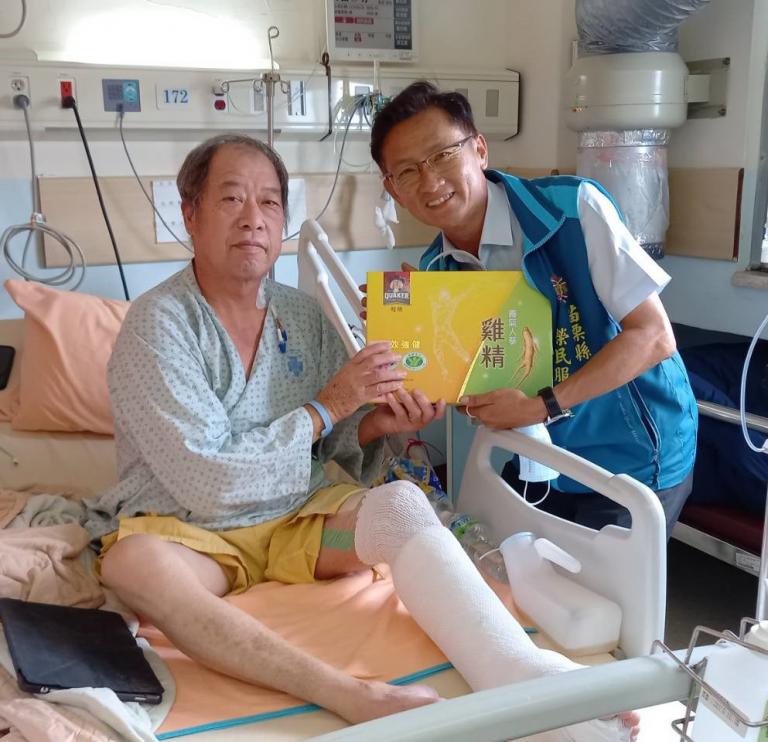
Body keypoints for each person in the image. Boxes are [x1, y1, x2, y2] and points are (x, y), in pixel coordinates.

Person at [86, 134, 638, 740]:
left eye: (269, 203)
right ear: (190, 214)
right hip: (191, 533)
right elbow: (207, 482)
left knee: (400, 503)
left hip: (296, 523)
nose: (253, 219)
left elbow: (334, 444)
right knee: (133, 566)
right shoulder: (157, 324)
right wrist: (330, 405)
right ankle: (353, 695)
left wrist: (377, 423)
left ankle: (520, 671)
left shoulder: (301, 315)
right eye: (231, 198)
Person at [370, 81, 698, 538]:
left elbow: (653, 337)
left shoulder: (573, 210)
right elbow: (475, 389)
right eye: (407, 171)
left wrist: (541, 407)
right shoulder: (435, 272)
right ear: (393, 189)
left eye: (442, 155)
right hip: (543, 457)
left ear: (479, 150)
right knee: (512, 571)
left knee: (605, 584)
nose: (430, 182)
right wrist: (413, 346)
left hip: (633, 456)